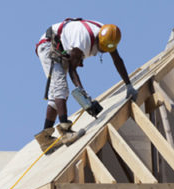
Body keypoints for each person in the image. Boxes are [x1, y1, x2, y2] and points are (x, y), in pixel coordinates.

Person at [34, 18, 138, 153]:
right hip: (49, 45)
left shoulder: (108, 34)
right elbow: (72, 70)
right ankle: (65, 132)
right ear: (98, 41)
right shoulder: (82, 42)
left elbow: (117, 60)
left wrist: (128, 85)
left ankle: (45, 139)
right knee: (61, 89)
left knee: (56, 97)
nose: (103, 52)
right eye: (102, 49)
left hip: (62, 47)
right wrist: (85, 99)